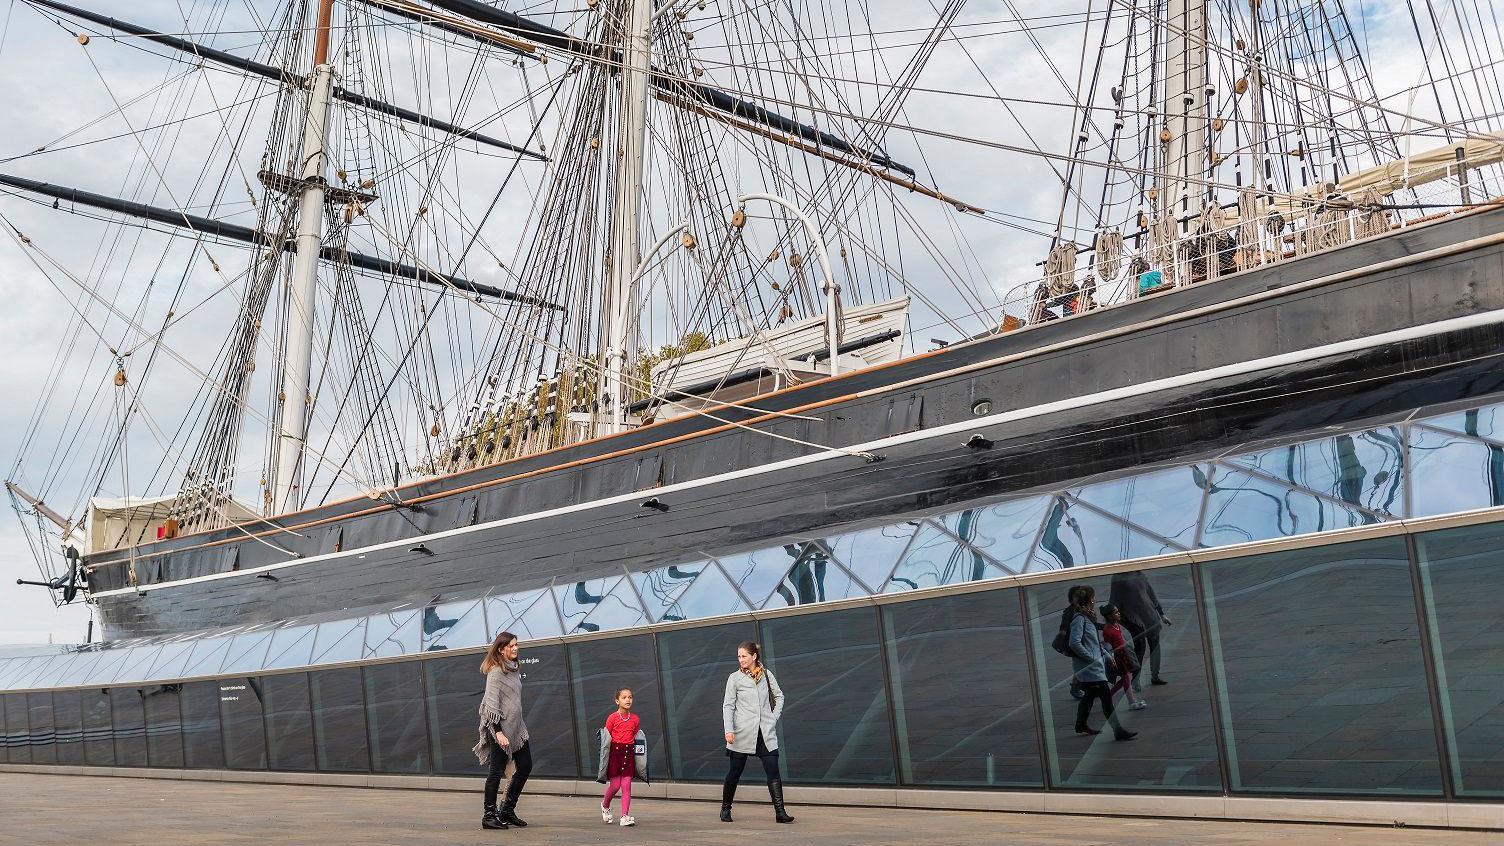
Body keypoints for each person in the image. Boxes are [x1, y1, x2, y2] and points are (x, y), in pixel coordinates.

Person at [721, 641, 793, 824]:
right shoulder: (734, 678)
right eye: (739, 656)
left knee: (773, 771)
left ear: (754, 656)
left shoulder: (767, 674)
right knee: (734, 772)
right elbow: (728, 705)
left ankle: (780, 812)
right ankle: (725, 808)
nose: (741, 659)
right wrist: (728, 729)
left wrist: (773, 717)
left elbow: (779, 696)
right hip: (741, 732)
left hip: (765, 733)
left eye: (744, 656)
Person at [473, 631, 534, 831]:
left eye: (516, 644)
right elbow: (491, 706)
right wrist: (498, 732)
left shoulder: (513, 669)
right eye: (511, 645)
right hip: (498, 730)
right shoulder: (496, 672)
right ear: (501, 649)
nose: (515, 648)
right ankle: (488, 816)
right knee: (496, 773)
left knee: (525, 766)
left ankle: (507, 809)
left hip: (517, 729)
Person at [1067, 587, 1136, 741]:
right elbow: (1074, 643)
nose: (1095, 600)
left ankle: (1081, 724)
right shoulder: (1079, 619)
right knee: (1106, 700)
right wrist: (1092, 658)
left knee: (1089, 696)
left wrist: (1105, 655)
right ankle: (1118, 731)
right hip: (1091, 670)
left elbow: (1094, 643)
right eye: (1093, 597)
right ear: (1090, 599)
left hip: (1093, 668)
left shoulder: (1086, 617)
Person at [1109, 569, 1172, 691]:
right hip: (1133, 618)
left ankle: (1155, 676)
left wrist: (1162, 614)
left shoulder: (1139, 574)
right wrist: (1113, 620)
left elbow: (1151, 593)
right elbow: (1114, 600)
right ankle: (1135, 680)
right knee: (1140, 649)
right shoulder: (1118, 577)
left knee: (1155, 647)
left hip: (1149, 615)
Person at [597, 687, 649, 827]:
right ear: (617, 701)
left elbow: (635, 736)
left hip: (628, 754)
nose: (628, 700)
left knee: (626, 785)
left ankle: (625, 816)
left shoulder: (635, 719)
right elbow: (607, 738)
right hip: (615, 754)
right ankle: (605, 805)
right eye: (624, 697)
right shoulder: (612, 718)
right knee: (614, 786)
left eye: (630, 697)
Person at [1101, 603, 1146, 710]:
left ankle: (1107, 697)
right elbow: (1107, 646)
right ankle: (1132, 702)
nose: (1118, 614)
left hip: (1125, 654)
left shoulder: (1116, 625)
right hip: (1119, 657)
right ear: (1110, 616)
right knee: (1126, 678)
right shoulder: (1107, 630)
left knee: (1126, 679)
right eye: (1116, 612)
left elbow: (1121, 638)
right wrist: (1111, 657)